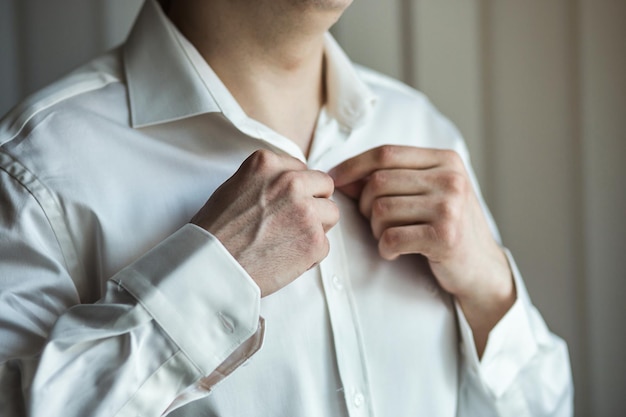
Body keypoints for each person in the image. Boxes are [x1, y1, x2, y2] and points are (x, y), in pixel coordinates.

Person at [0, 0, 573, 415]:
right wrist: (211, 281)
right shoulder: (36, 171)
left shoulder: (421, 127)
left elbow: (546, 407)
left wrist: (493, 291)